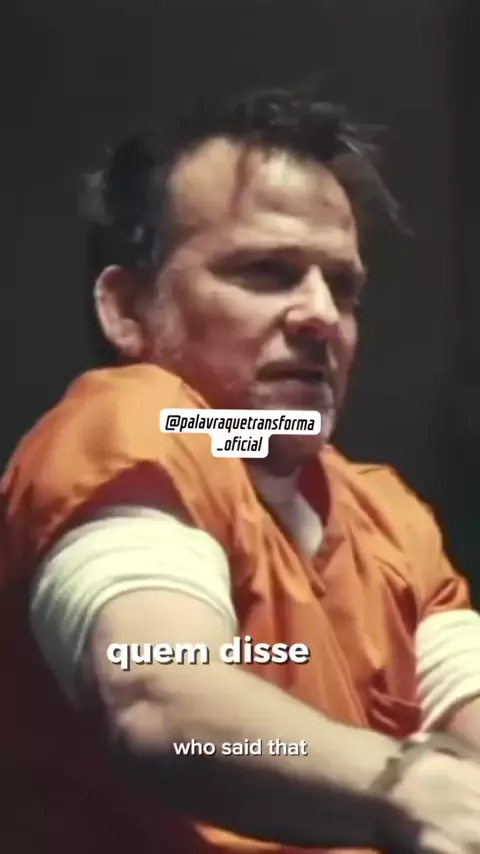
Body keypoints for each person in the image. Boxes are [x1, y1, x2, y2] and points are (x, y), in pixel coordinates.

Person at [2, 83, 480, 854]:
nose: (322, 315)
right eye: (266, 271)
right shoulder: (129, 427)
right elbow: (162, 697)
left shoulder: (385, 512)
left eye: (342, 286)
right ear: (127, 309)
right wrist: (406, 787)